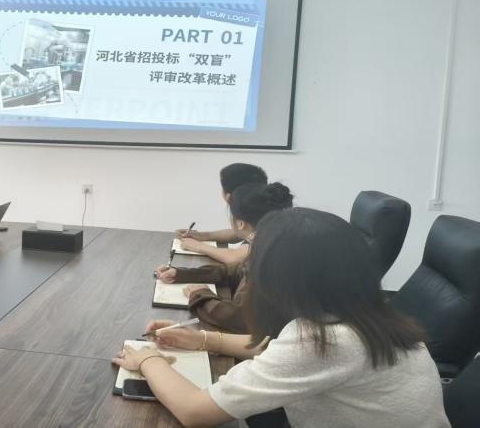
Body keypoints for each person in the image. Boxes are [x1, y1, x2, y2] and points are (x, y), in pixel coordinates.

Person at [114, 208, 449, 428]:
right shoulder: (366, 317)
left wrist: (147, 360)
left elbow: (193, 410)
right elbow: (274, 349)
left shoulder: (321, 341)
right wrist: (203, 339)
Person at [155, 182, 293, 333]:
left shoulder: (272, 256)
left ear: (240, 223)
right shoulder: (272, 241)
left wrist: (200, 296)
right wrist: (183, 273)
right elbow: (236, 272)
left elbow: (240, 318)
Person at [175, 163, 267, 261]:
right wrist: (203, 236)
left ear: (229, 196)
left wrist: (198, 246)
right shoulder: (264, 205)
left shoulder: (268, 223)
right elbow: (240, 232)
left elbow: (235, 258)